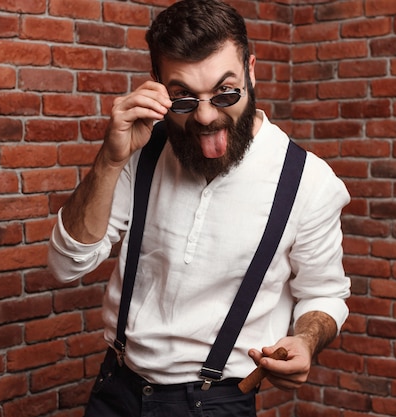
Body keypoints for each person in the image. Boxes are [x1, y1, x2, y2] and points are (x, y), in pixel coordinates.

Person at [47, 0, 351, 415]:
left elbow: (325, 293)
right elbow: (67, 266)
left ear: (251, 70)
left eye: (225, 92)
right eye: (185, 98)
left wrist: (306, 339)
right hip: (116, 388)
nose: (207, 116)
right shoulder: (142, 152)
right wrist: (111, 158)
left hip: (216, 403)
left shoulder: (307, 181)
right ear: (158, 86)